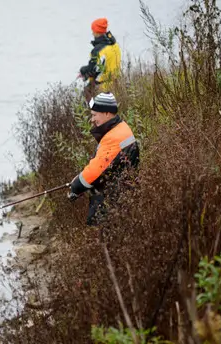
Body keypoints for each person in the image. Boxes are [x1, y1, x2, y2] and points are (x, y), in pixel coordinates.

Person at [67, 92, 139, 226]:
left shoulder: (113, 137)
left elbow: (96, 171)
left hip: (112, 202)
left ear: (107, 113)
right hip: (122, 198)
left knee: (106, 240)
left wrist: (76, 186)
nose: (92, 119)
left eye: (94, 115)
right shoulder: (121, 128)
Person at [79, 18, 122, 93]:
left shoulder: (97, 50)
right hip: (115, 85)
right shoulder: (115, 45)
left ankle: (90, 105)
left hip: (102, 87)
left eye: (93, 31)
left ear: (97, 32)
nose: (92, 33)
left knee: (87, 96)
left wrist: (83, 71)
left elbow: (93, 69)